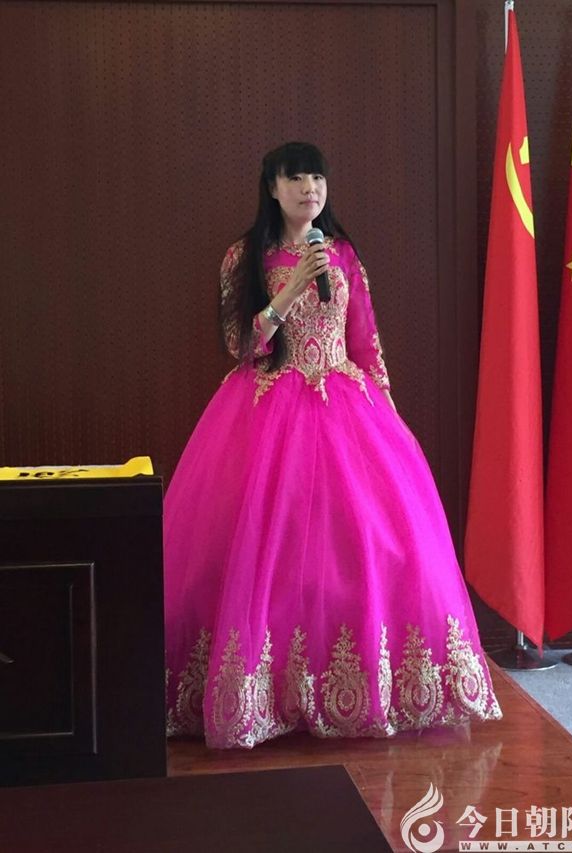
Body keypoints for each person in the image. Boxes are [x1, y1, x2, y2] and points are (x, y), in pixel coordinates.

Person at [164, 142, 501, 749]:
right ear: (272, 187)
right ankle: (261, 695)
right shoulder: (244, 255)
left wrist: (389, 421)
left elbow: (366, 341)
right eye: (295, 178)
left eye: (317, 177)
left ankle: (365, 690)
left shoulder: (342, 253)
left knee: (367, 550)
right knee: (259, 550)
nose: (309, 188)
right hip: (265, 410)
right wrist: (289, 290)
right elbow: (241, 345)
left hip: (348, 409)